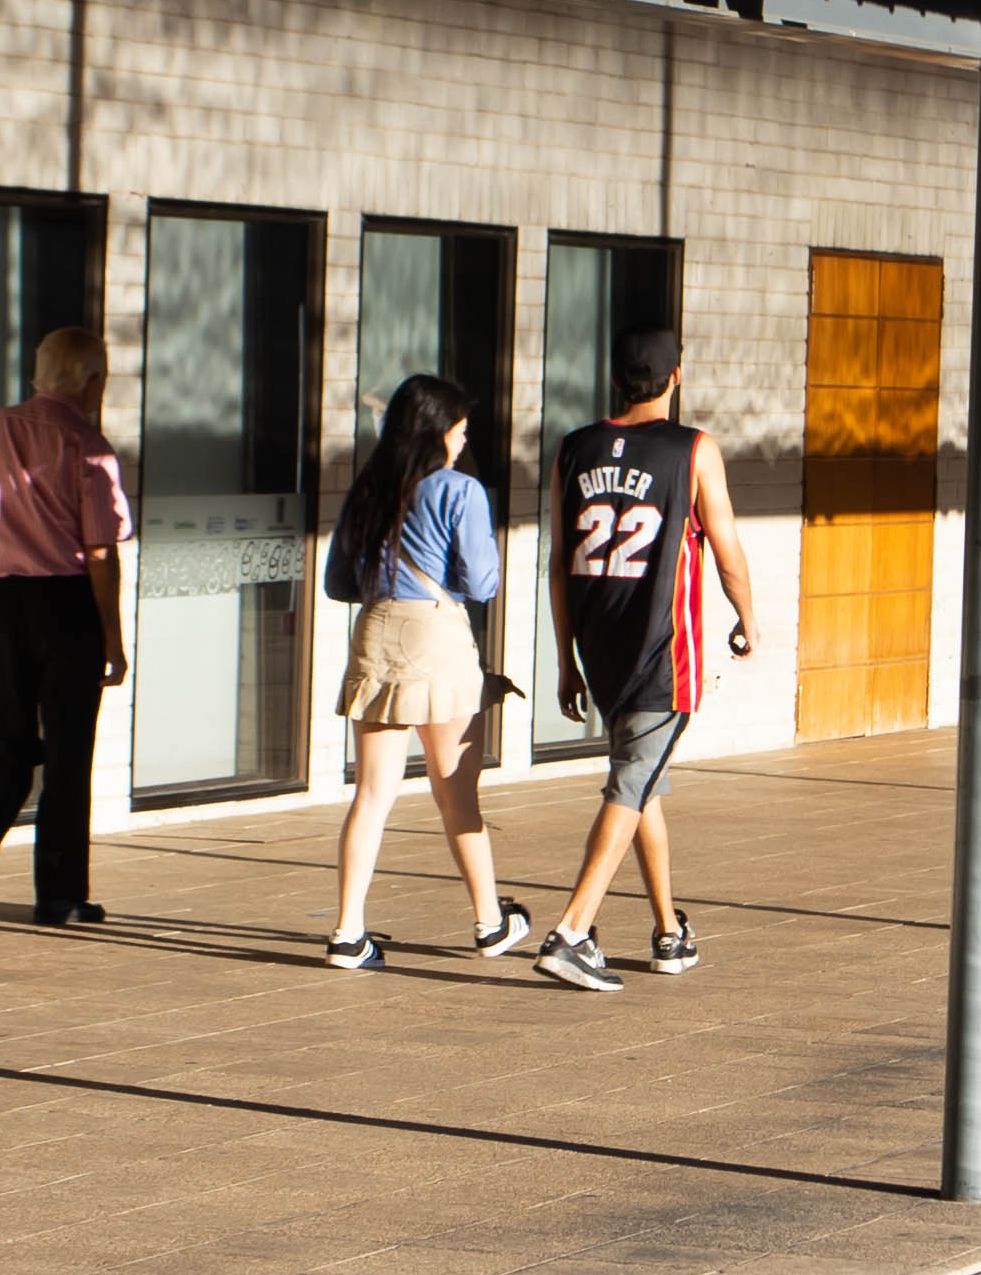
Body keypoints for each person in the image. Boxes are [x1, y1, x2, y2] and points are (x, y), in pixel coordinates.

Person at [535, 326, 756, 994]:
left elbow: (557, 563)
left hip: (599, 644)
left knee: (643, 784)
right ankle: (572, 932)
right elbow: (725, 550)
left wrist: (566, 659)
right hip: (662, 650)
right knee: (631, 784)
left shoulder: (573, 449)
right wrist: (748, 618)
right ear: (676, 377)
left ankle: (667, 932)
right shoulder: (693, 449)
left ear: (614, 381)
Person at [317, 372, 537, 968]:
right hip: (435, 637)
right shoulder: (459, 491)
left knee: (371, 795)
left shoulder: (367, 489)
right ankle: (490, 923)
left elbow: (339, 582)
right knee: (456, 794)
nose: (463, 442)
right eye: (460, 432)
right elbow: (482, 583)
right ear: (438, 432)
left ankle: (346, 933)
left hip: (375, 634)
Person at [0, 322, 132, 925]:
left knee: (9, 735)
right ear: (92, 381)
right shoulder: (89, 447)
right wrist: (113, 636)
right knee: (69, 752)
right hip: (67, 605)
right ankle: (59, 895)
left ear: (39, 374)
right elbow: (102, 552)